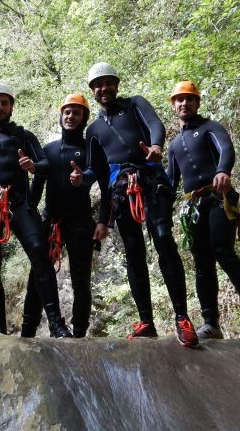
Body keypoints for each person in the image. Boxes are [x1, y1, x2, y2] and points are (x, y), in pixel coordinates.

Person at [72, 62, 198, 347]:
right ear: (92, 91)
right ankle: (146, 322)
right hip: (120, 189)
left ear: (116, 84)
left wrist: (155, 146)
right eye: (98, 85)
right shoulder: (93, 130)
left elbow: (155, 123)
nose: (103, 88)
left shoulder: (135, 104)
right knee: (134, 253)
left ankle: (182, 317)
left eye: (108, 83)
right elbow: (97, 171)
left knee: (164, 240)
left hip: (150, 179)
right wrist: (83, 179)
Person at [0, 82, 73, 338]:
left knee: (39, 253)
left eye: (4, 103)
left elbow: (45, 163)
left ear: (11, 106)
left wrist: (33, 166)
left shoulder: (24, 136)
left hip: (19, 203)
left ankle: (55, 323)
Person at [167, 80, 240, 340]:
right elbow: (171, 181)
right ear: (173, 106)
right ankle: (210, 324)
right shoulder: (173, 145)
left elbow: (226, 149)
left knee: (223, 251)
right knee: (202, 262)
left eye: (189, 99)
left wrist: (223, 170)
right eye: (179, 100)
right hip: (194, 205)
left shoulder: (210, 128)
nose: (184, 103)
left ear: (197, 103)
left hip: (218, 197)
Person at [21, 93, 96, 338]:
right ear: (60, 116)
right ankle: (28, 330)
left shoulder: (89, 149)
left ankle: (79, 332)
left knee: (81, 280)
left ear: (84, 117)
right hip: (50, 221)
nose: (71, 116)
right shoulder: (49, 150)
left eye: (76, 112)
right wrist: (29, 212)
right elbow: (38, 185)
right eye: (67, 112)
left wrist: (82, 179)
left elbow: (98, 176)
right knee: (38, 275)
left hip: (81, 223)